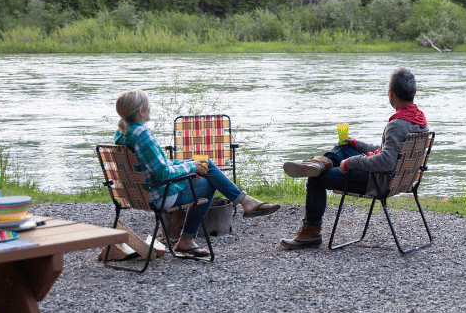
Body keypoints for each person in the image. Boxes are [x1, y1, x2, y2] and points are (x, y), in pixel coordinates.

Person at [115, 89, 279, 257]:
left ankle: (245, 201)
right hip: (158, 196)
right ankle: (189, 237)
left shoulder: (123, 133)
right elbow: (163, 172)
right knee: (209, 184)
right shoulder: (143, 134)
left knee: (205, 161)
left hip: (136, 195)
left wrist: (189, 163)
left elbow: (156, 165)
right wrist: (191, 167)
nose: (151, 108)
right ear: (141, 111)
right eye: (149, 106)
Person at [279, 68, 429, 249]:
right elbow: (388, 152)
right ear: (414, 92)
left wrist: (351, 163)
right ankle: (319, 163)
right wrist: (357, 144)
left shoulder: (397, 125)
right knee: (345, 147)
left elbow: (386, 162)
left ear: (390, 93)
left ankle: (311, 232)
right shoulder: (420, 121)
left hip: (377, 182)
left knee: (316, 179)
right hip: (398, 180)